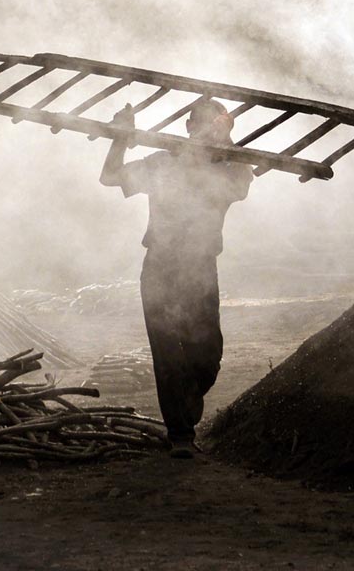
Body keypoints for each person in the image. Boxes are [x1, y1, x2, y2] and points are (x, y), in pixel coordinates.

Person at [100, 100, 253, 459]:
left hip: (200, 269)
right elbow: (110, 177)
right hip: (160, 267)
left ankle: (185, 411)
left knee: (207, 356)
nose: (206, 130)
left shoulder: (230, 167)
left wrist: (226, 142)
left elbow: (241, 186)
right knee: (168, 355)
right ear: (186, 126)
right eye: (200, 123)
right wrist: (120, 137)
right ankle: (180, 434)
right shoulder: (161, 163)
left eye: (215, 124)